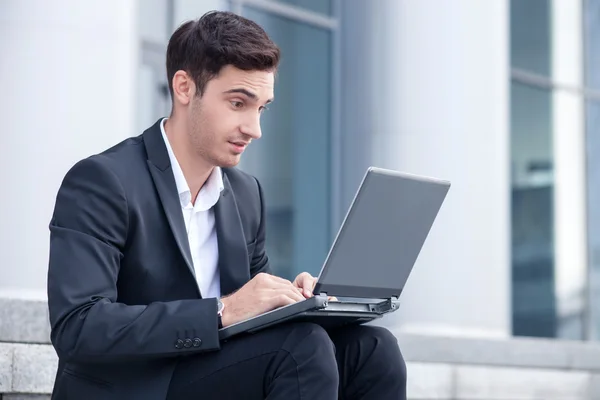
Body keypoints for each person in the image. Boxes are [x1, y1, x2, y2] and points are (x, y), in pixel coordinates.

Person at [47, 10, 407, 400]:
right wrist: (222, 310)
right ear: (184, 88)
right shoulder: (104, 181)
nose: (254, 129)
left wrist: (298, 301)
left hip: (214, 374)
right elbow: (78, 326)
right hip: (135, 386)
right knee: (301, 349)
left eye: (262, 108)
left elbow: (259, 314)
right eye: (239, 103)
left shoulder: (245, 194)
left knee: (374, 349)